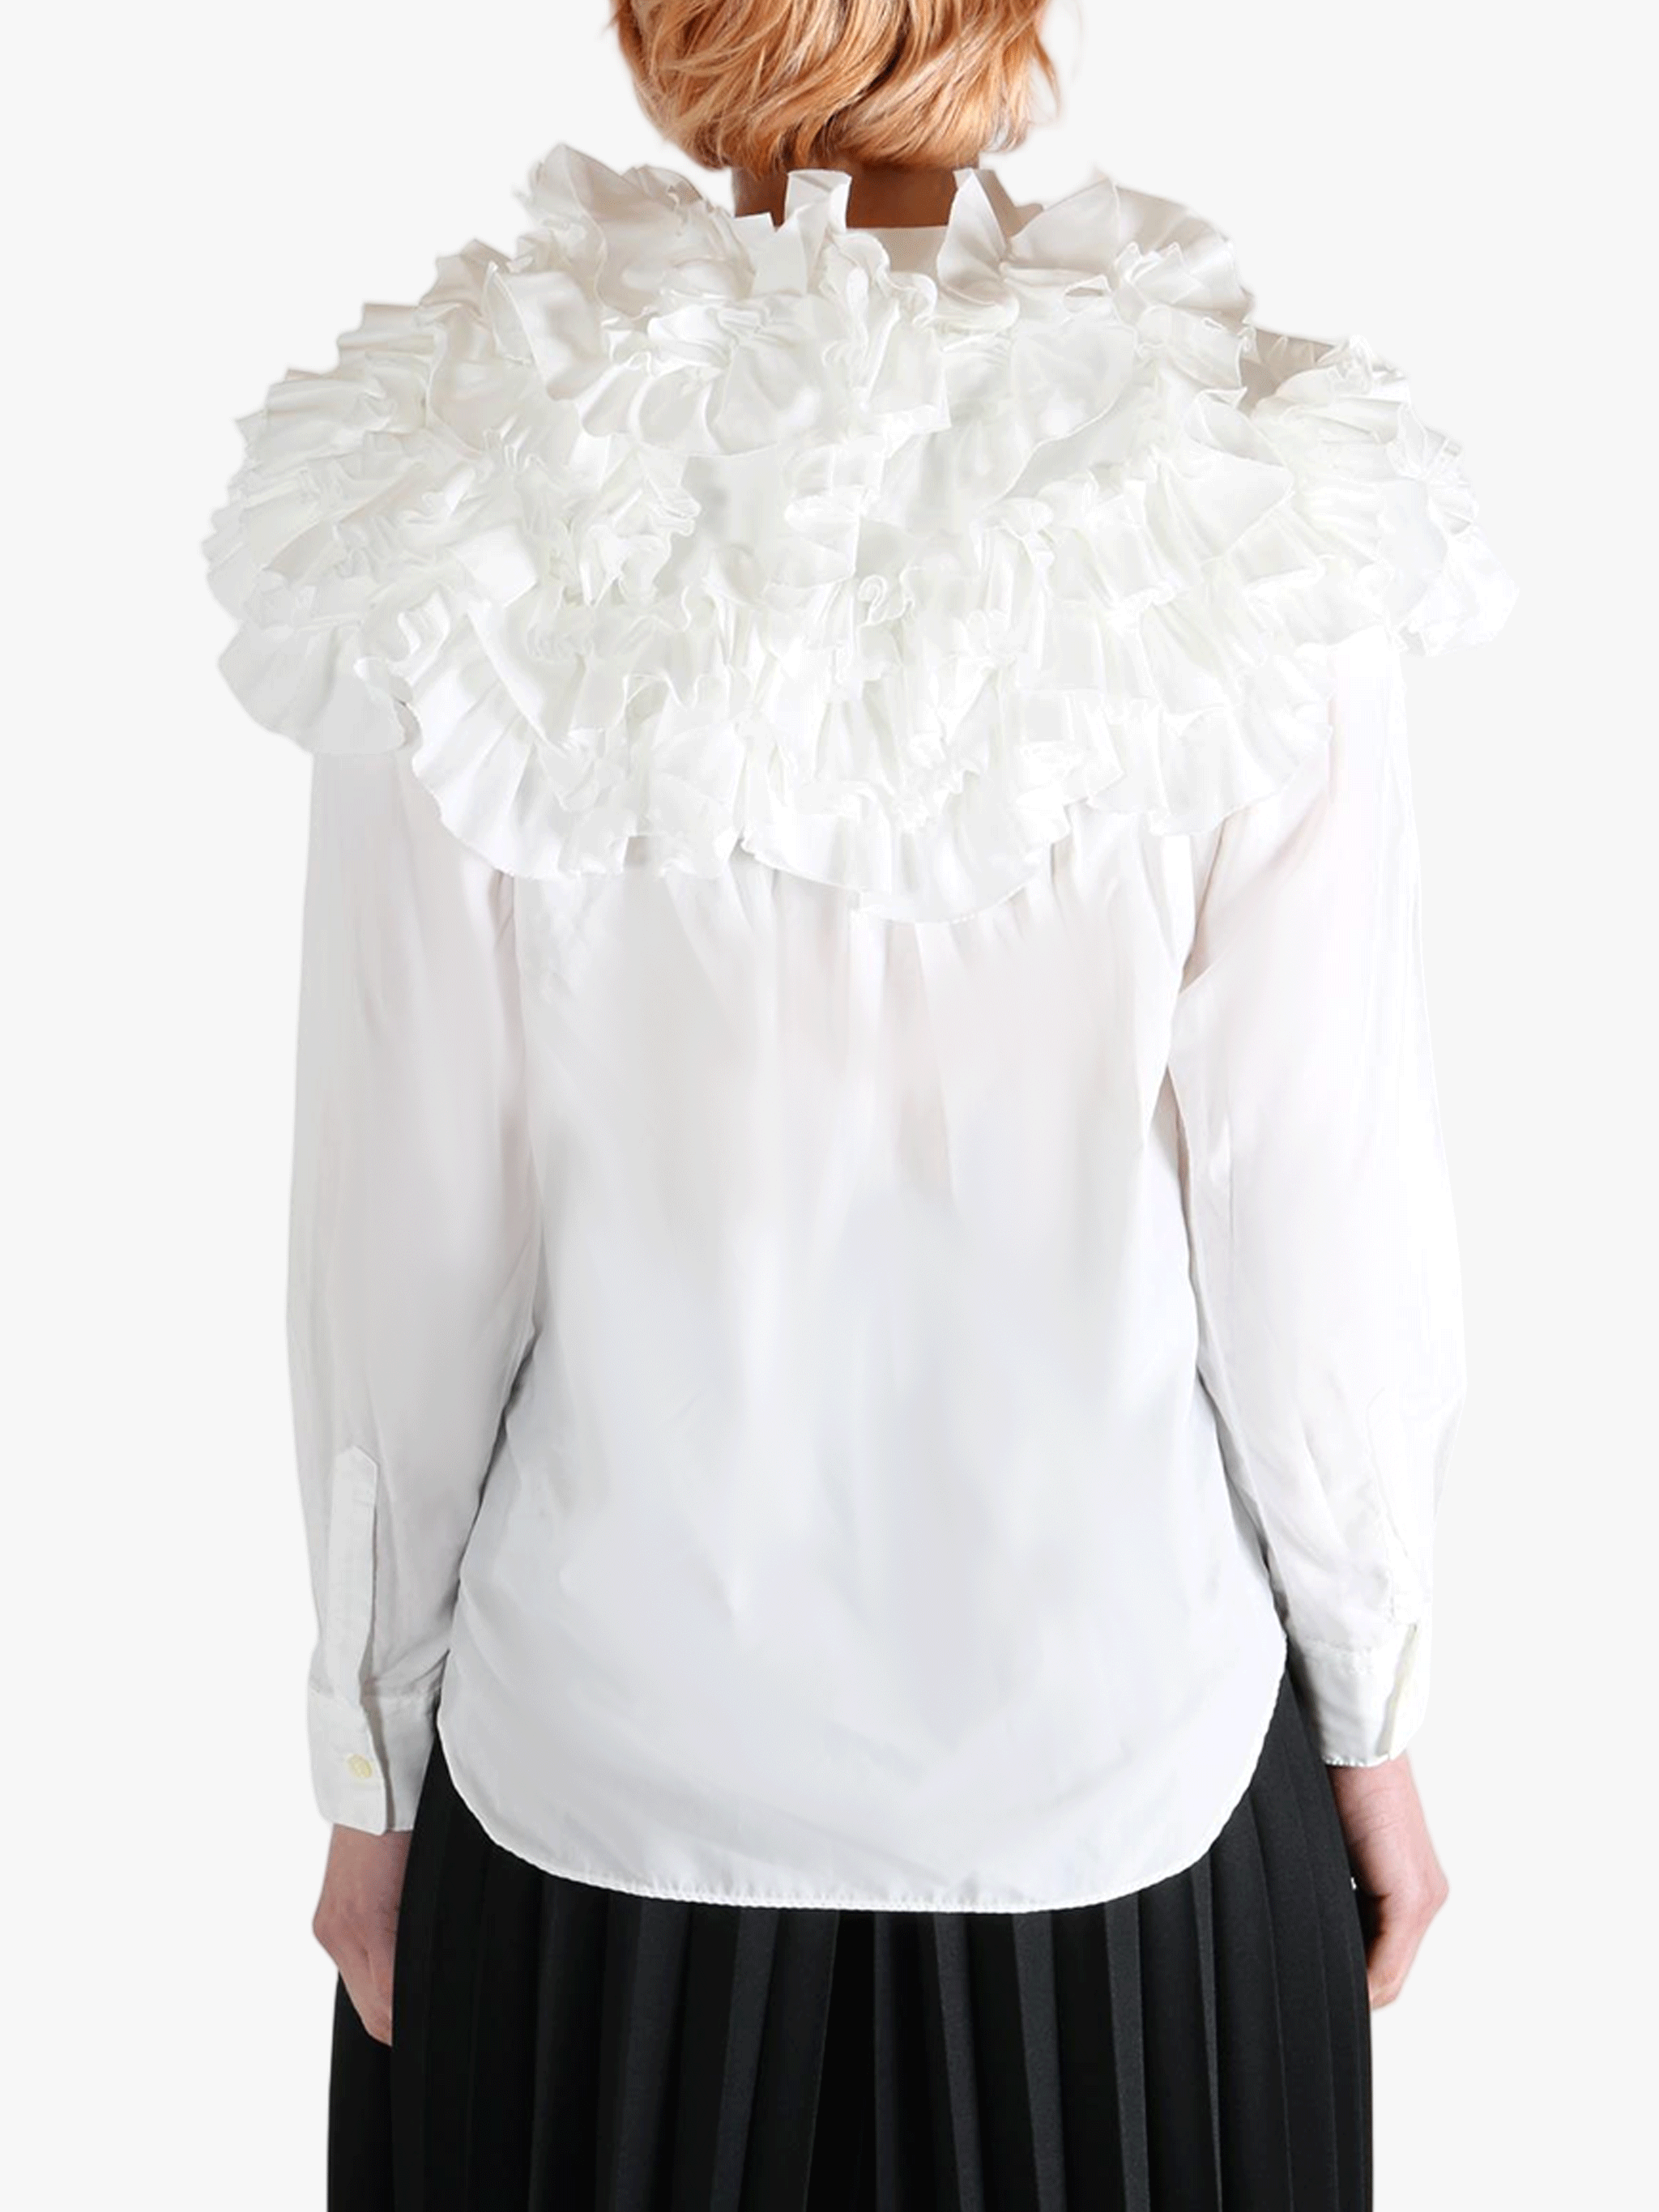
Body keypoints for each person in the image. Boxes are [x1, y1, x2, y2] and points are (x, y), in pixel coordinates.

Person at [202, 2, 1517, 2202]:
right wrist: (1371, 1715)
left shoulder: (461, 485)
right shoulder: (1253, 489)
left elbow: (408, 1231)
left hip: (594, 1781)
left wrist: (369, 1749)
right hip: (1122, 1770)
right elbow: (1317, 1206)